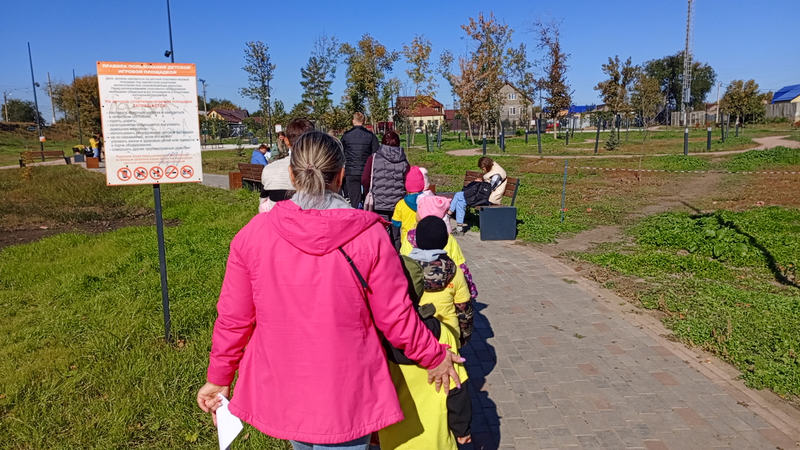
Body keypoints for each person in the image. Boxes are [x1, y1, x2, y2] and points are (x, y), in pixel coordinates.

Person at [197, 131, 464, 450]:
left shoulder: (253, 235)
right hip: (349, 392)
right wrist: (434, 355)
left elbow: (233, 319)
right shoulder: (370, 235)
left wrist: (219, 378)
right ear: (340, 175)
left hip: (286, 386)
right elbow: (396, 317)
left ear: (292, 175)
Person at [378, 219, 472, 450]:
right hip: (435, 439)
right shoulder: (444, 335)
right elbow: (457, 387)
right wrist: (462, 428)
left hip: (393, 438)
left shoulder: (379, 335)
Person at [361, 131, 409, 248]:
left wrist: (369, 192)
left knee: (381, 232)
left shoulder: (374, 158)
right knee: (396, 234)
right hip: (398, 203)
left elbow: (365, 179)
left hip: (378, 202)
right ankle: (396, 255)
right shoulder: (403, 160)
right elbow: (408, 180)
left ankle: (384, 254)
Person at [259, 119, 314, 213]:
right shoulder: (324, 168)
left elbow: (263, 204)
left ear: (287, 141)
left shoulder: (269, 170)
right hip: (312, 220)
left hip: (276, 219)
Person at [448, 156, 508, 235]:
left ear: (486, 166)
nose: (482, 170)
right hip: (483, 195)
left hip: (488, 198)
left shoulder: (497, 175)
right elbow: (487, 185)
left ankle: (448, 214)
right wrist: (481, 181)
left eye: (483, 168)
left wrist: (480, 183)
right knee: (461, 202)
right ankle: (459, 229)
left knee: (458, 195)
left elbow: (489, 189)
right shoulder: (493, 169)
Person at [341, 112, 379, 208]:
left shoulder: (346, 135)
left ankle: (357, 212)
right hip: (366, 171)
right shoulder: (370, 135)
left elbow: (340, 152)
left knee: (354, 200)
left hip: (351, 171)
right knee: (368, 198)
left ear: (353, 121)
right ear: (364, 121)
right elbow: (376, 154)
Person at [392, 166, 425, 249]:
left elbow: (396, 223)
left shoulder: (401, 204)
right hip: (424, 239)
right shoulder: (427, 202)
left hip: (407, 241)